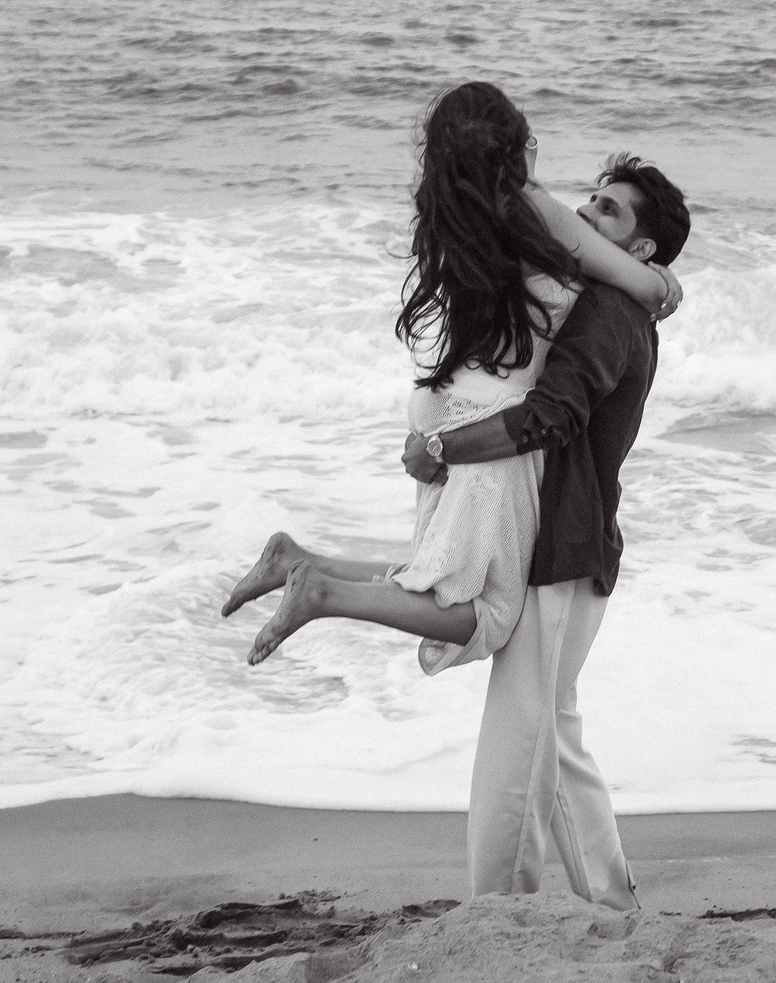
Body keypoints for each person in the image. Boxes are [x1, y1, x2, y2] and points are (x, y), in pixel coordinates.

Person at [220, 82, 676, 683]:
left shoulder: (459, 215)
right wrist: (666, 285)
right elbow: (638, 285)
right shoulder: (536, 211)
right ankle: (322, 594)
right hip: (490, 418)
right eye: (528, 142)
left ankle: (297, 561)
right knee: (486, 609)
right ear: (512, 152)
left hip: (441, 404)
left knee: (434, 574)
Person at [401, 151, 690, 911]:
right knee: (552, 737)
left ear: (643, 250)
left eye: (611, 210)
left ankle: (497, 907)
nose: (589, 214)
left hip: (564, 550)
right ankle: (613, 899)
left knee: (516, 745)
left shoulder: (610, 314)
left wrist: (441, 449)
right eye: (590, 199)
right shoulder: (611, 304)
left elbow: (547, 417)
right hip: (569, 546)